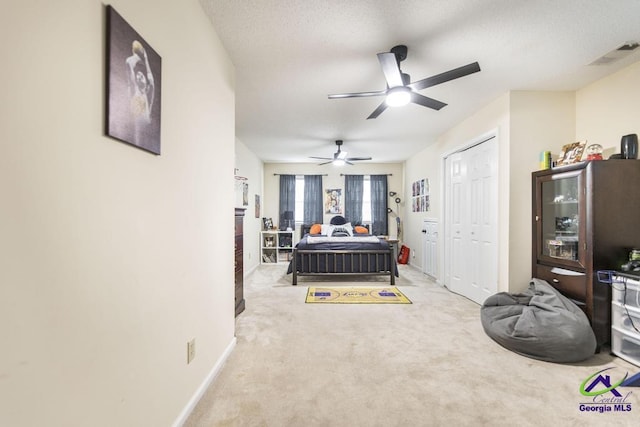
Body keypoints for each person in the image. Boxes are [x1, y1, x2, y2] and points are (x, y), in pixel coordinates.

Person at [125, 40, 155, 144]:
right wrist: (135, 56)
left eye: (142, 75)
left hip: (147, 135)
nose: (139, 75)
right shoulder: (135, 93)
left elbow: (152, 82)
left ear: (146, 84)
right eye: (137, 75)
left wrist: (146, 59)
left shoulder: (148, 94)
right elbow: (129, 64)